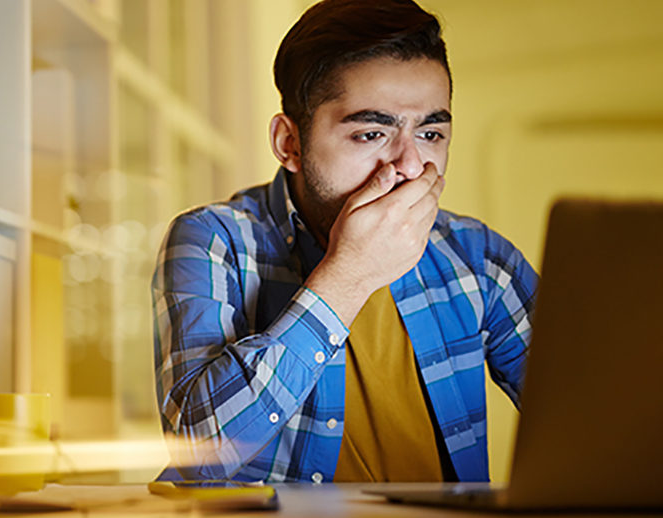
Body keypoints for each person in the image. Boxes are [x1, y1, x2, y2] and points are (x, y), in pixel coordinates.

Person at [151, 0, 538, 484]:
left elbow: (595, 417)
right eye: (372, 133)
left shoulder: (478, 257)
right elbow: (198, 455)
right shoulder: (214, 241)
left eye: (432, 132)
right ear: (290, 143)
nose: (411, 166)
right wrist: (348, 275)